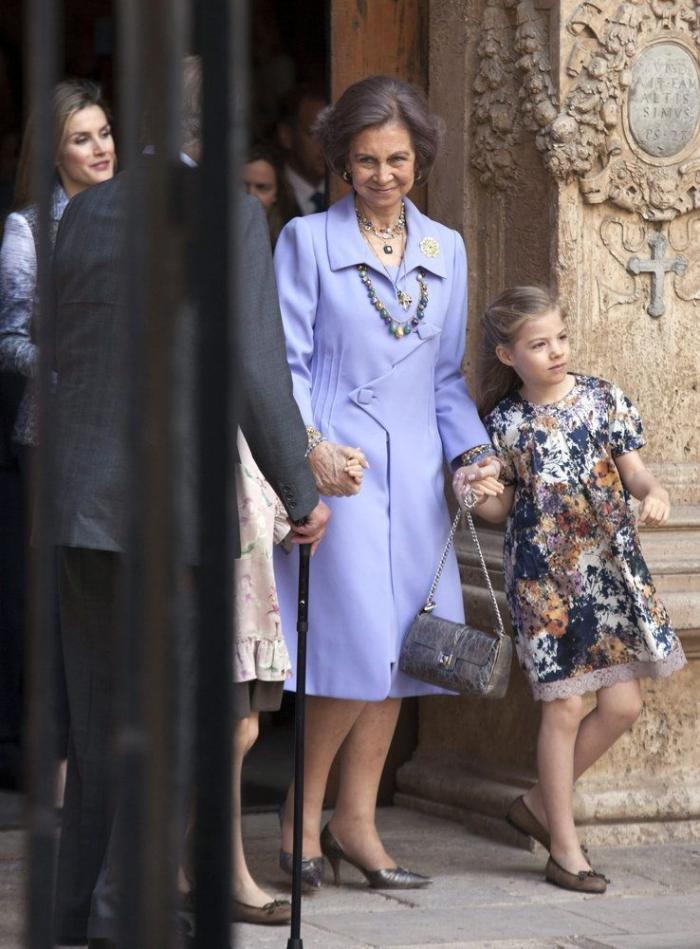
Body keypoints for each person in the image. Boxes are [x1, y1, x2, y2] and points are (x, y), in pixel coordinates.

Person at [50, 55, 329, 948]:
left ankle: (82, 909)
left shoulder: (86, 210)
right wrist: (301, 487)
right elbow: (253, 364)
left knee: (100, 726)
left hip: (81, 501)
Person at [273, 74, 503, 890]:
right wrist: (309, 449)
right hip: (343, 473)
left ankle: (356, 824)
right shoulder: (305, 242)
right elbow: (285, 366)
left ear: (421, 158)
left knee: (403, 656)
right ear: (341, 158)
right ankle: (300, 821)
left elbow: (447, 380)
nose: (381, 174)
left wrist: (473, 456)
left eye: (397, 158)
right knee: (355, 650)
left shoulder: (447, 248)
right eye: (365, 159)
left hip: (417, 483)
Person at [470, 285, 687, 894]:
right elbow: (505, 507)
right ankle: (563, 848)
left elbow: (636, 470)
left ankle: (539, 804)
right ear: (509, 355)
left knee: (623, 706)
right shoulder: (504, 423)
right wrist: (479, 494)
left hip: (611, 569)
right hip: (546, 580)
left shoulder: (601, 399)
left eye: (560, 338)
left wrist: (654, 494)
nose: (556, 351)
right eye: (539, 345)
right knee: (564, 706)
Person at [0, 78, 116, 793]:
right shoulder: (27, 229)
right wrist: (74, 371)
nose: (99, 148)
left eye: (105, 133)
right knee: (61, 609)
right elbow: (9, 338)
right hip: (54, 439)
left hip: (133, 438)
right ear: (53, 150)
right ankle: (66, 776)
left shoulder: (139, 217)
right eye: (82, 137)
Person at [277, 82, 327, 214]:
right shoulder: (266, 190)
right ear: (286, 136)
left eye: (332, 135)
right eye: (314, 134)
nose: (325, 145)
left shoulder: (350, 197)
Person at [241, 142, 301, 247]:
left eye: (262, 188)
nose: (251, 195)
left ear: (277, 194)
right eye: (241, 185)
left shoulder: (290, 239)